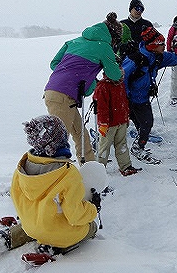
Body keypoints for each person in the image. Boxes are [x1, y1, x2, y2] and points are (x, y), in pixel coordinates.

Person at [0, 115, 99, 260]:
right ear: (61, 141)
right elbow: (75, 215)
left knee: (37, 225)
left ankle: (7, 238)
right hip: (58, 232)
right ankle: (55, 247)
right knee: (91, 226)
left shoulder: (21, 169)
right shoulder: (68, 174)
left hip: (31, 226)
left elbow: (17, 199)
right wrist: (93, 208)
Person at [44, 12, 123, 164]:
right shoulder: (104, 47)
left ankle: (91, 176)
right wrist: (111, 64)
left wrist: (79, 73)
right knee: (57, 146)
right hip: (62, 97)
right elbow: (114, 75)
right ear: (113, 37)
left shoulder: (73, 42)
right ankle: (50, 182)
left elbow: (54, 64)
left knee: (81, 136)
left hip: (56, 93)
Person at [123, 26, 177, 164]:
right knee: (143, 123)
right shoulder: (135, 60)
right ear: (152, 45)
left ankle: (139, 141)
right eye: (161, 44)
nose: (164, 46)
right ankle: (136, 147)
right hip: (129, 99)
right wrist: (125, 97)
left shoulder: (159, 57)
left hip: (142, 99)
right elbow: (122, 77)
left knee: (144, 123)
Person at [93, 73, 142, 176]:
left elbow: (124, 102)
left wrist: (126, 117)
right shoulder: (103, 86)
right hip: (109, 124)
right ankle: (99, 170)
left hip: (121, 121)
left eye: (122, 74)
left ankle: (126, 166)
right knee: (104, 147)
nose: (121, 76)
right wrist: (103, 123)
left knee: (122, 144)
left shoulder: (120, 84)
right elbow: (101, 108)